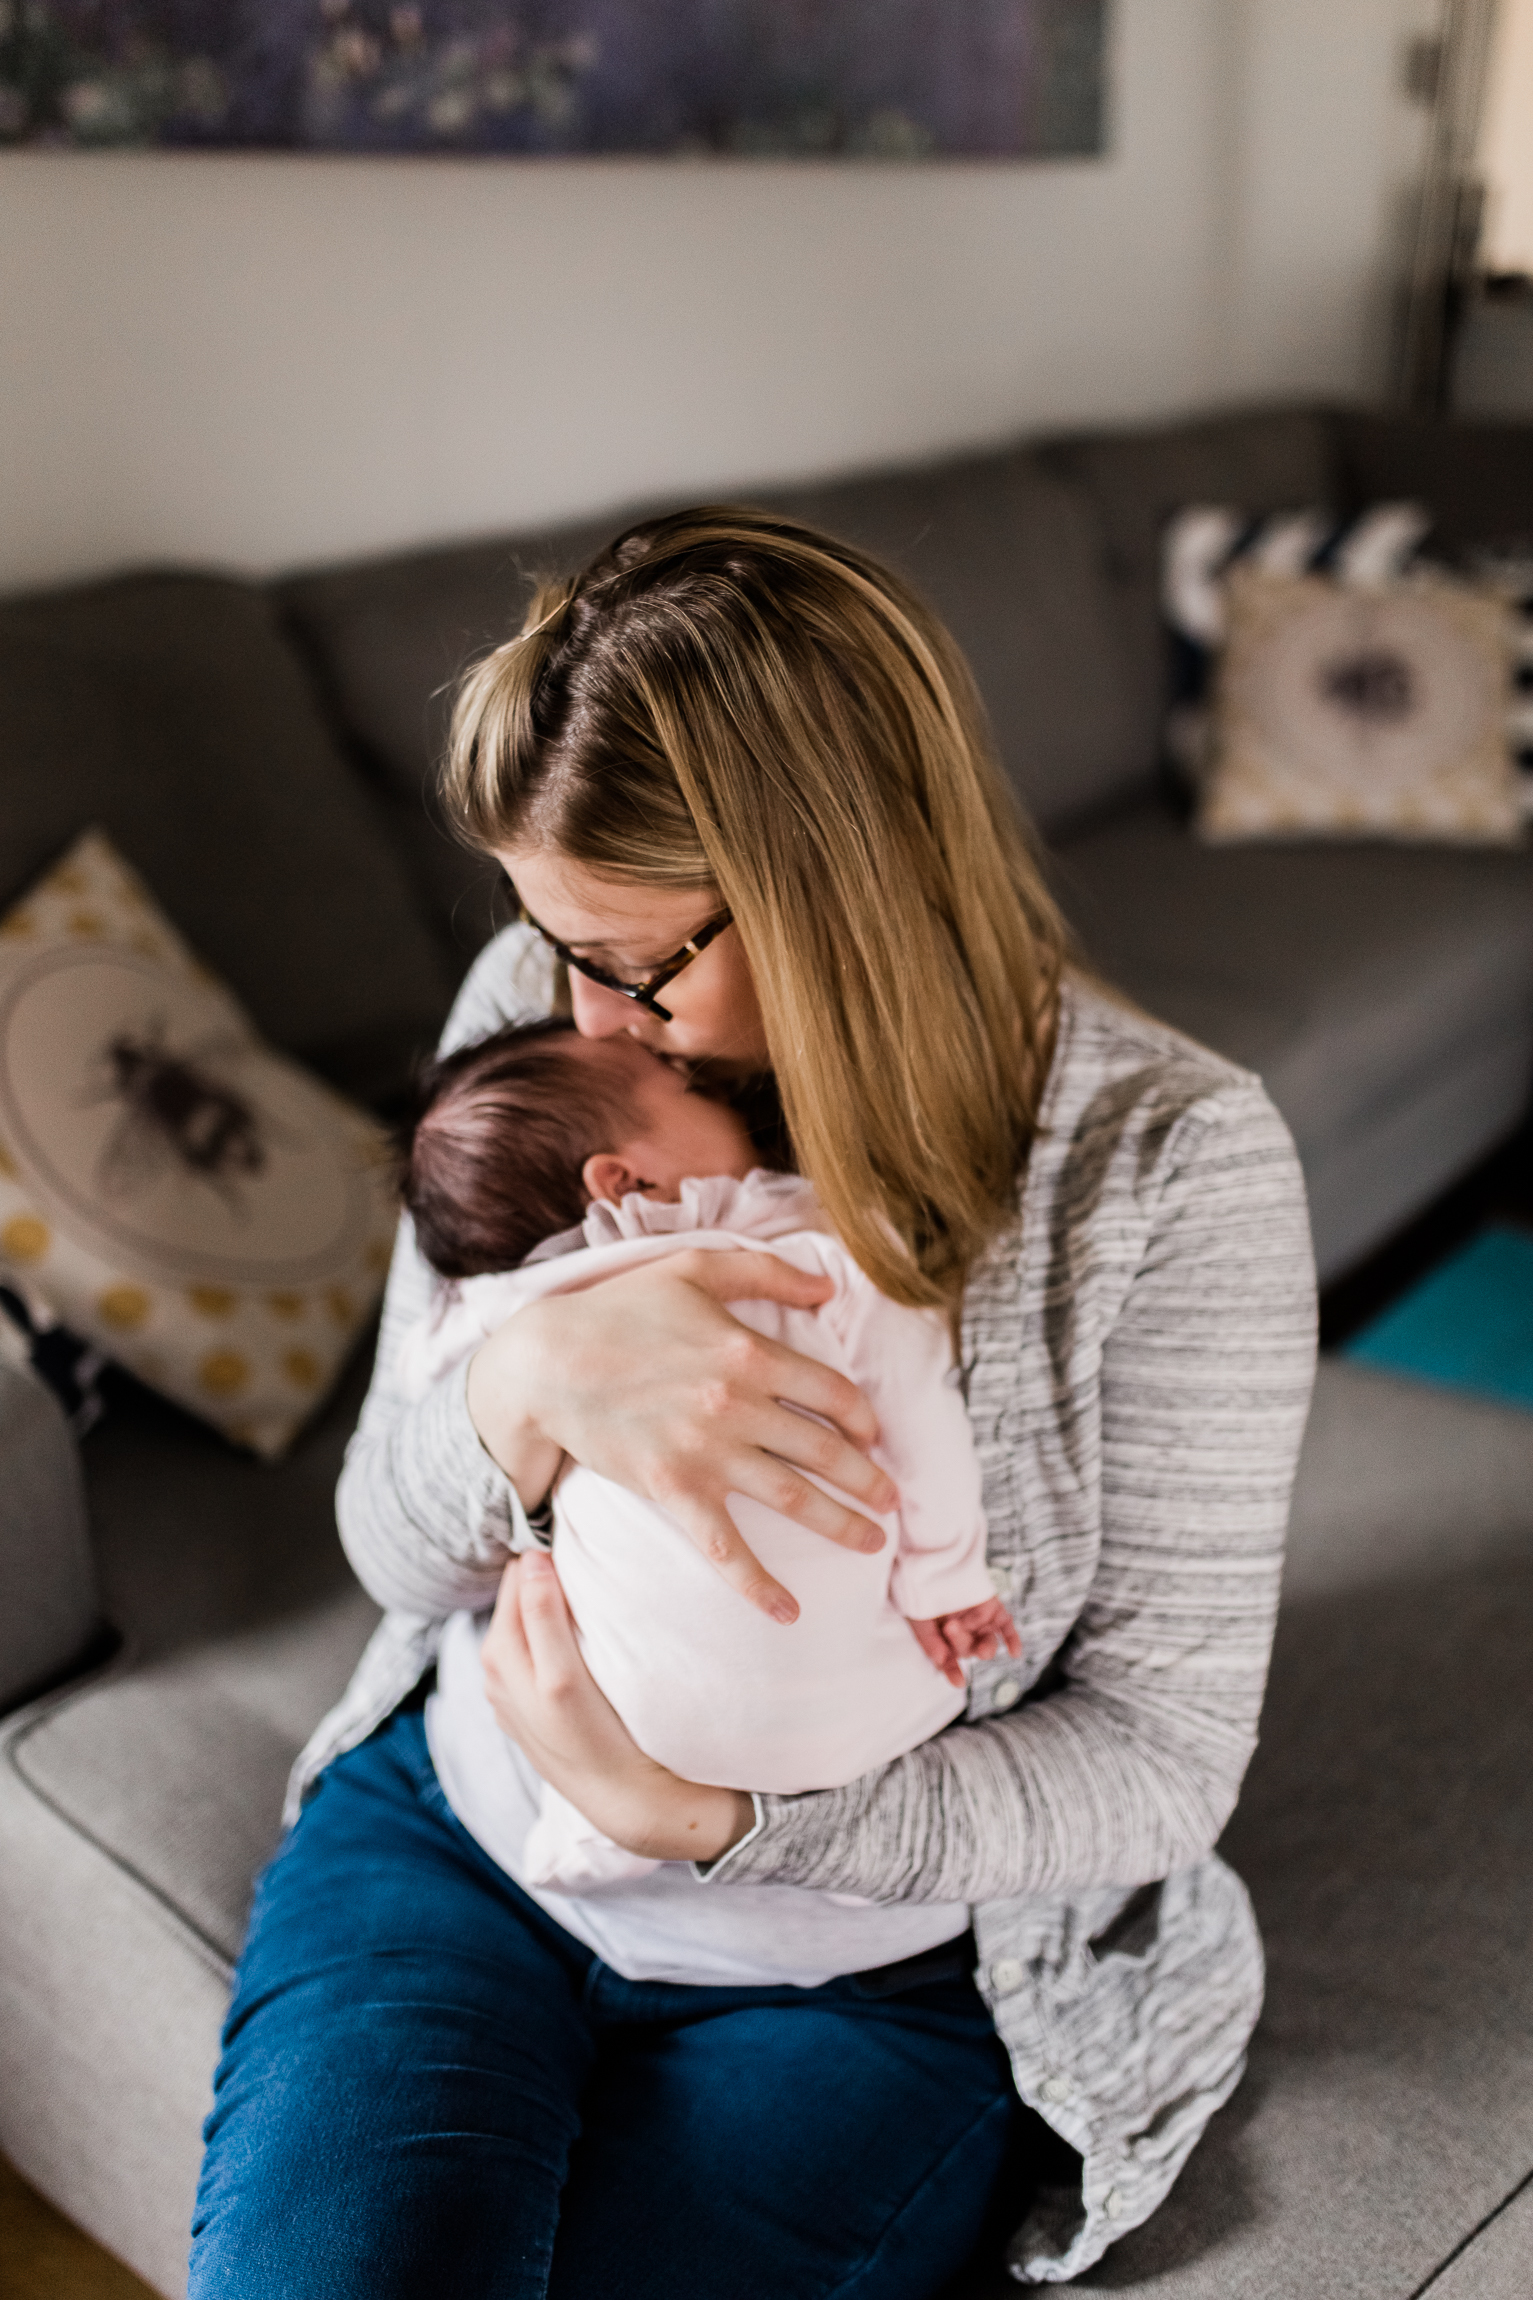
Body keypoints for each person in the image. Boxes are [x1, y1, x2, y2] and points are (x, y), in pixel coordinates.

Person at [188, 507, 1317, 2299]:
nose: (583, 1014)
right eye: (548, 940)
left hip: (865, 1967)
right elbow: (390, 1554)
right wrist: (521, 1385)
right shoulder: (543, 1025)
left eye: (638, 963)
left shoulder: (1166, 1169)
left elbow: (1158, 1765)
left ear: (840, 894)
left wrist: (713, 1822)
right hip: (462, 1843)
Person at [393, 1018, 1019, 1893]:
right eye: (685, 1085)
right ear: (622, 1178)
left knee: (582, 1588)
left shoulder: (494, 1306)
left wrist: (502, 1375)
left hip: (631, 1720)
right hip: (867, 1722)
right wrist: (945, 1580)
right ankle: (612, 1819)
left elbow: (417, 1388)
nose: (705, 1081)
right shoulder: (814, 1254)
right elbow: (919, 1409)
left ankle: (587, 1823)